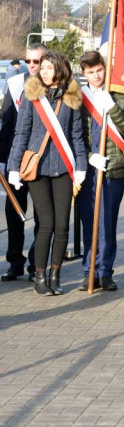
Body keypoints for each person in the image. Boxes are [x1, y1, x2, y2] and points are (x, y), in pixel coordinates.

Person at [7, 51, 87, 295]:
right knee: (46, 224)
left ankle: (55, 274)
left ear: (60, 70)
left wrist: (81, 165)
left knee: (62, 226)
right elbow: (21, 133)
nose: (43, 71)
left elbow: (76, 136)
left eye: (49, 67)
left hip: (63, 167)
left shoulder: (71, 98)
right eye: (42, 67)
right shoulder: (32, 97)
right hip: (38, 169)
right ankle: (39, 276)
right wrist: (13, 167)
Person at [76, 50, 124, 292]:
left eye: (99, 70)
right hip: (89, 169)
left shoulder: (121, 95)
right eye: (90, 72)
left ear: (106, 68)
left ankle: (105, 272)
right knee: (89, 222)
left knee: (108, 222)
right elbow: (75, 135)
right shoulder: (79, 98)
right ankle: (89, 270)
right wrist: (90, 156)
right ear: (84, 73)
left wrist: (112, 107)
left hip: (113, 167)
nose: (96, 76)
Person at [0, 43, 45, 281]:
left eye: (37, 61)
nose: (32, 65)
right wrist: (2, 160)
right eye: (29, 61)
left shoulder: (52, 85)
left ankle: (36, 265)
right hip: (16, 161)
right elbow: (7, 124)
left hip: (41, 161)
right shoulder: (16, 85)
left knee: (41, 215)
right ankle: (15, 262)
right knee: (14, 212)